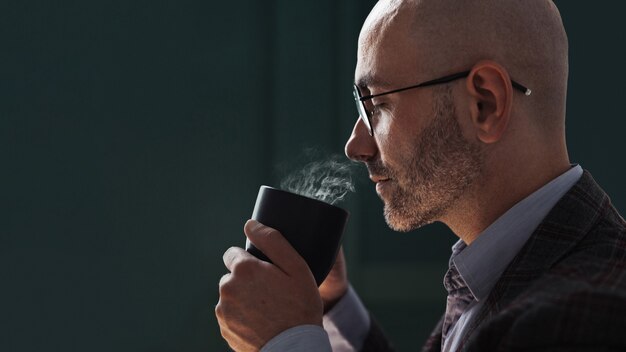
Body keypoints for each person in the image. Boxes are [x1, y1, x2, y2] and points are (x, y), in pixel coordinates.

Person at [215, 0, 626, 351]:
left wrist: (289, 340)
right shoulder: (505, 270)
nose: (356, 146)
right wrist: (330, 306)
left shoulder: (581, 319)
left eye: (376, 105)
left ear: (484, 103)